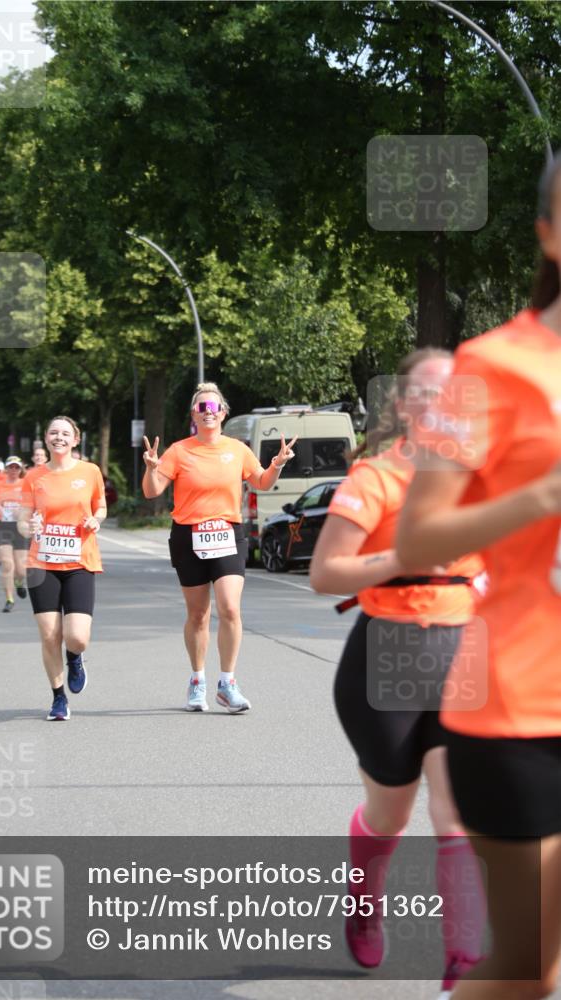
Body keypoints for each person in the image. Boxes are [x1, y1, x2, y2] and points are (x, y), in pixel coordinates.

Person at [396, 155, 561, 999]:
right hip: (522, 707)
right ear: (547, 231)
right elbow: (420, 533)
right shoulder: (483, 369)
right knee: (528, 970)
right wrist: (542, 492)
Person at [310, 350, 487, 999]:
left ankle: (462, 964)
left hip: (461, 648)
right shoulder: (375, 477)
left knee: (455, 814)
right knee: (390, 814)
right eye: (429, 395)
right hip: (384, 653)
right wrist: (402, 556)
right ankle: (362, 903)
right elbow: (324, 575)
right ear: (406, 407)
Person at [142, 381, 298, 713]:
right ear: (193, 415)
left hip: (228, 534)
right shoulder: (179, 451)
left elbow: (261, 482)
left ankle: (227, 683)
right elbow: (152, 491)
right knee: (198, 614)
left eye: (213, 407)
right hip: (188, 536)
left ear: (223, 413)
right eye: (202, 407)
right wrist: (151, 467)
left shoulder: (238, 449)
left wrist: (278, 463)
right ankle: (197, 680)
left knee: (230, 608)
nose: (208, 412)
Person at [18, 416, 106, 721]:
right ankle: (58, 698)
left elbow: (101, 506)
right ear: (46, 438)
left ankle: (75, 657)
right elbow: (22, 518)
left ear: (75, 439)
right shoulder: (34, 477)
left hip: (80, 561)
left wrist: (96, 520)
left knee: (77, 636)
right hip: (41, 563)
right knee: (49, 634)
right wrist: (28, 526)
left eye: (65, 433)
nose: (59, 437)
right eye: (53, 432)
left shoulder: (90, 471)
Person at [0, 456, 29, 612]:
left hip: (20, 527)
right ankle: (9, 599)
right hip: (2, 526)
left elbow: (34, 504)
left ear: (20, 469)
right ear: (6, 469)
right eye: (10, 467)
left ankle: (19, 583)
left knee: (21, 569)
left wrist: (23, 510)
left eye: (16, 467)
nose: (13, 470)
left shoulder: (26, 485)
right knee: (7, 563)